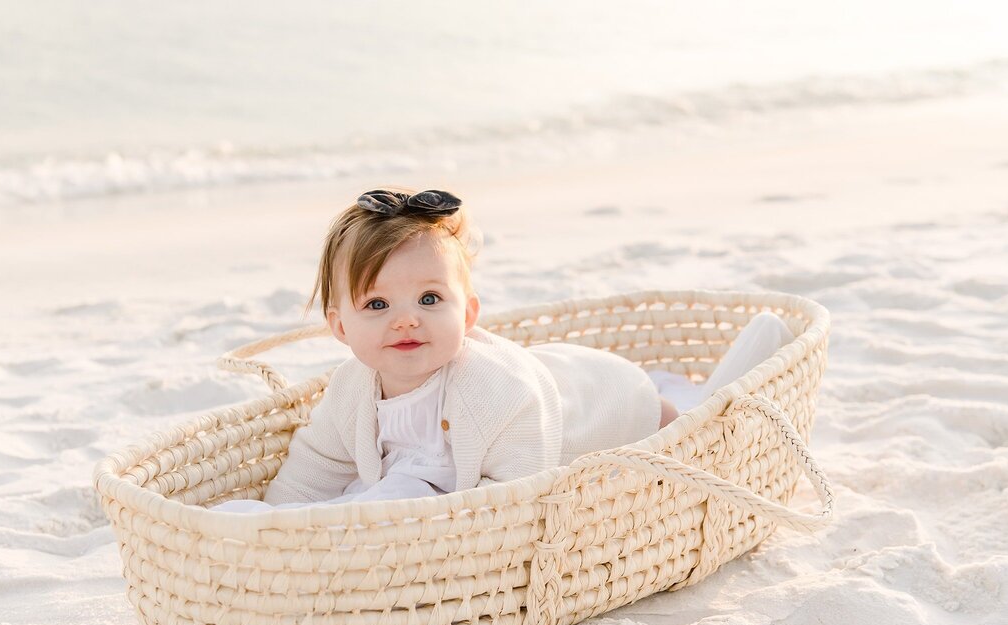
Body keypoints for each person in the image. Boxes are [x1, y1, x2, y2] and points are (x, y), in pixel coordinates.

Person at [216, 188, 792, 512]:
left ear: (467, 314)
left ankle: (737, 370)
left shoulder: (498, 392)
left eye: (429, 298)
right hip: (555, 382)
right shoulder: (349, 394)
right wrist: (275, 527)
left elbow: (519, 498)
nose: (407, 319)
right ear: (339, 328)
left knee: (689, 429)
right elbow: (314, 470)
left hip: (598, 400)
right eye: (377, 306)